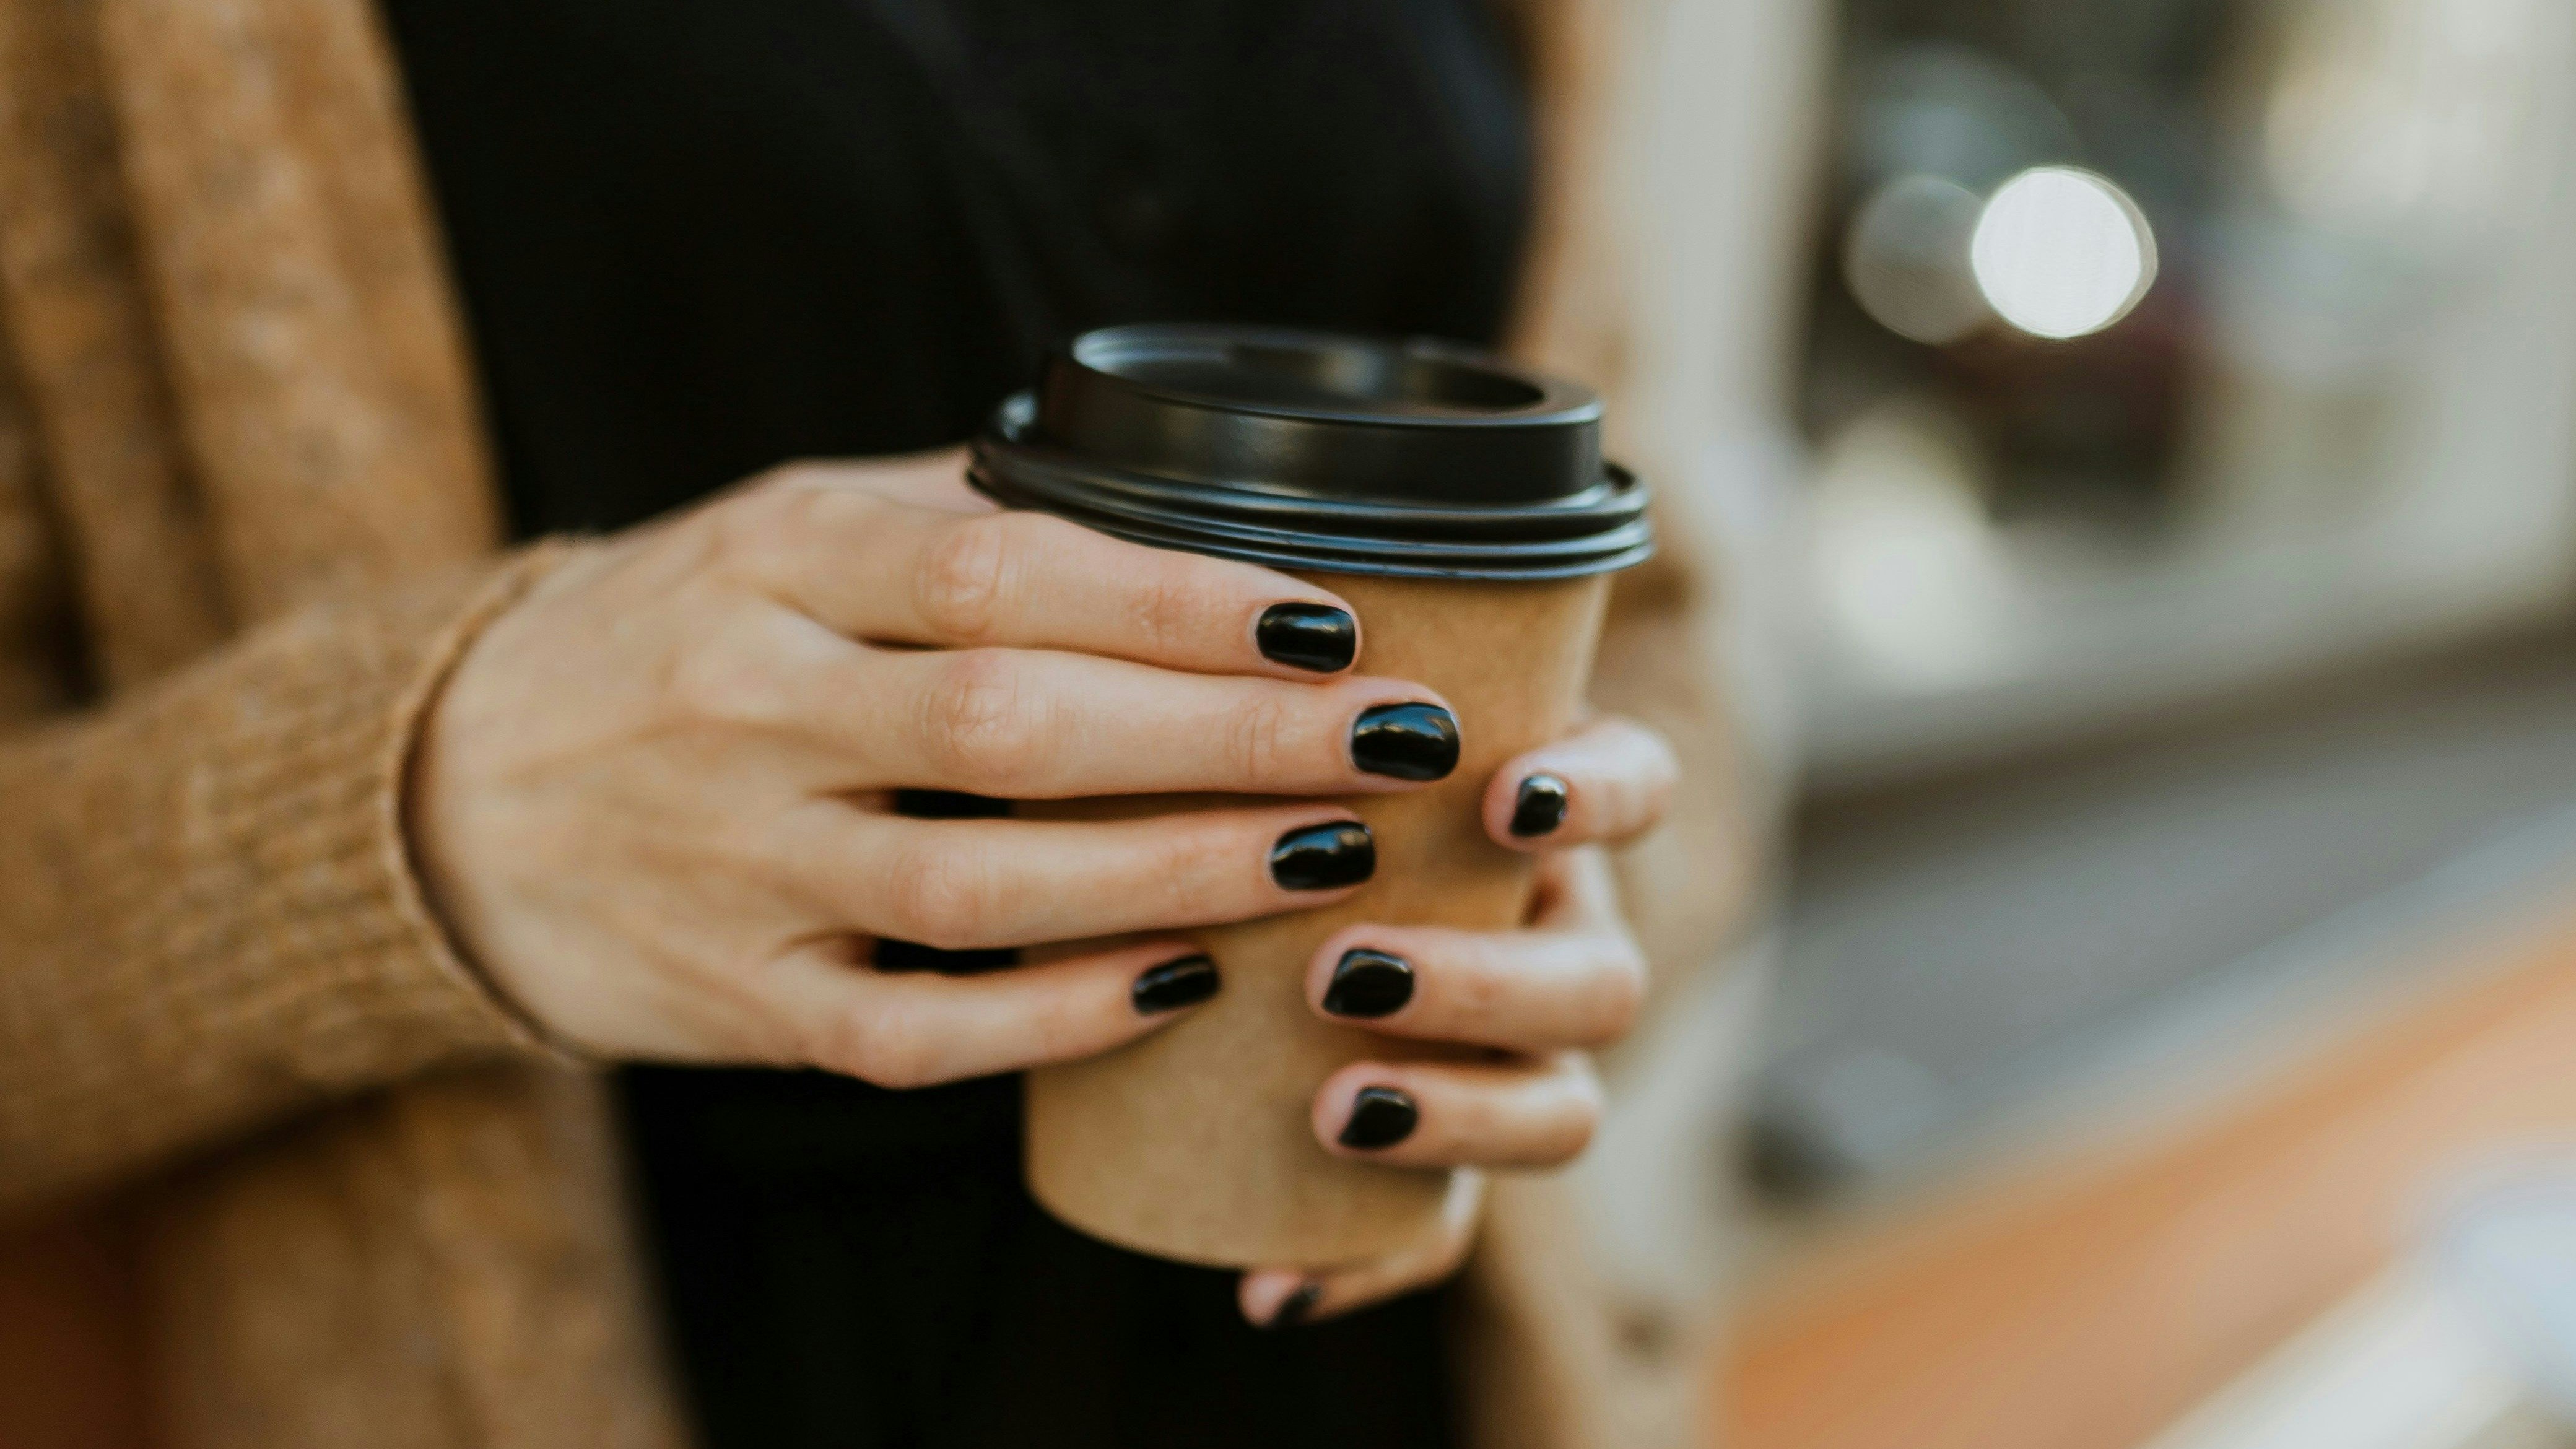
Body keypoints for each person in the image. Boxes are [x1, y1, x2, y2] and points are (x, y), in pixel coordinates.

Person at [0, 2, 1741, 1447]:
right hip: (662, 1340)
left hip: (1376, 1356)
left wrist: (1550, 898)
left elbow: (1660, 626)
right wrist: (404, 814)